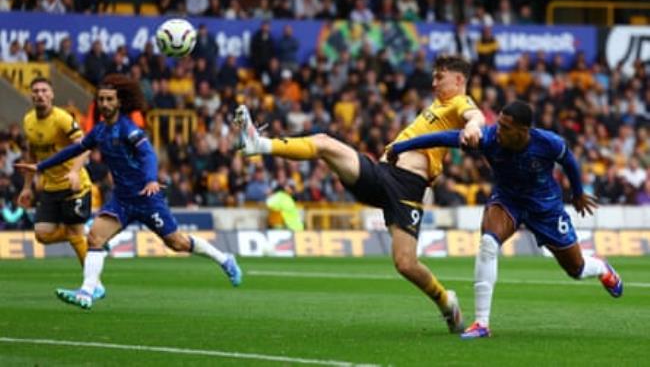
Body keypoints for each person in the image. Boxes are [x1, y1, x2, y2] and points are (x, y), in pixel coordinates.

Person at [234, 55, 486, 333]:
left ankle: (446, 302)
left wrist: (473, 126)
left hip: (407, 189)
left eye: (440, 77)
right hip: (382, 174)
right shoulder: (438, 105)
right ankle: (258, 144)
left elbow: (475, 116)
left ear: (459, 80)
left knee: (405, 264)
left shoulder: (460, 103)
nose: (433, 82)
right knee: (324, 143)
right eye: (435, 76)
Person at [387, 100, 623, 339]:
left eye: (505, 128)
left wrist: (578, 193)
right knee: (488, 243)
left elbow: (569, 161)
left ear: (523, 131)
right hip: (508, 201)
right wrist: (402, 146)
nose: (498, 130)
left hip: (546, 208)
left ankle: (602, 268)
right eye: (499, 124)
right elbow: (443, 137)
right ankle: (481, 323)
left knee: (576, 269)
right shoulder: (488, 138)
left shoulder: (548, 143)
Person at [16, 74, 242, 310]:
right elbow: (75, 149)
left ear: (119, 102)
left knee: (177, 243)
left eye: (109, 99)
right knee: (94, 237)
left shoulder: (128, 129)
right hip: (121, 200)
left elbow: (148, 154)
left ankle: (225, 260)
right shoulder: (100, 131)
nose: (104, 104)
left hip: (147, 198)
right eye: (101, 99)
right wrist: (40, 166)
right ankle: (87, 291)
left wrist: (151, 179)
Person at [19, 78, 104, 298]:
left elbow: (84, 147)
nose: (40, 94)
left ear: (52, 95)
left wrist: (75, 171)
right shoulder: (28, 121)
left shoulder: (63, 119)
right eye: (35, 91)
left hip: (75, 186)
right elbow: (31, 155)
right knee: (42, 235)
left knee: (74, 232)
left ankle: (94, 285)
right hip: (50, 186)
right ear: (31, 95)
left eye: (44, 90)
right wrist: (27, 187)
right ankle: (83, 235)